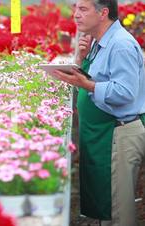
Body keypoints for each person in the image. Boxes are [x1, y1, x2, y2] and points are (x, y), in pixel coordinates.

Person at [52, 0, 145, 225]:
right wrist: (79, 61)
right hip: (103, 134)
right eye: (75, 8)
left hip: (117, 134)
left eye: (83, 9)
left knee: (118, 212)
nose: (76, 15)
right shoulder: (98, 41)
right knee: (108, 208)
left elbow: (125, 92)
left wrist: (88, 85)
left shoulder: (120, 45)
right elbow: (90, 81)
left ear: (103, 13)